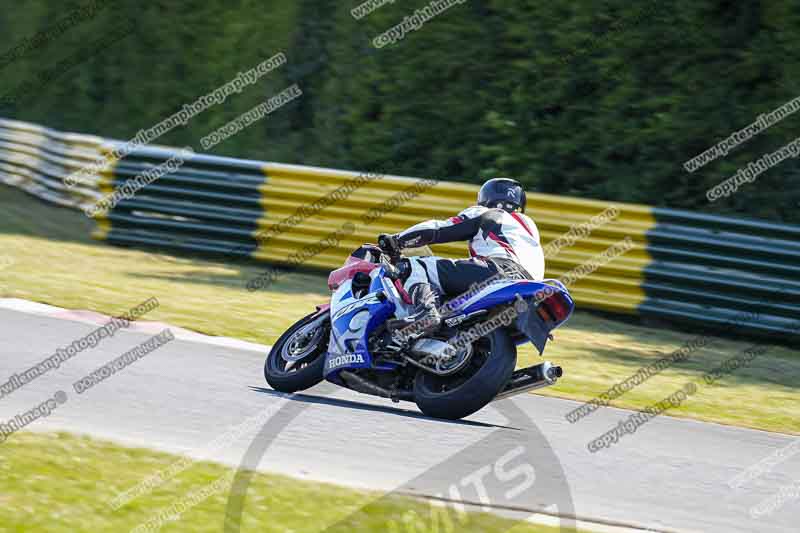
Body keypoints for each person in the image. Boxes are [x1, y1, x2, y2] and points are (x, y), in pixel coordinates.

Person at [378, 177, 544, 340]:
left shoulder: (489, 213)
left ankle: (425, 313)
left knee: (415, 265)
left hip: (499, 270)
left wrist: (396, 240)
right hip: (531, 286)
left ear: (486, 198)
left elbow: (439, 229)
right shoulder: (529, 227)